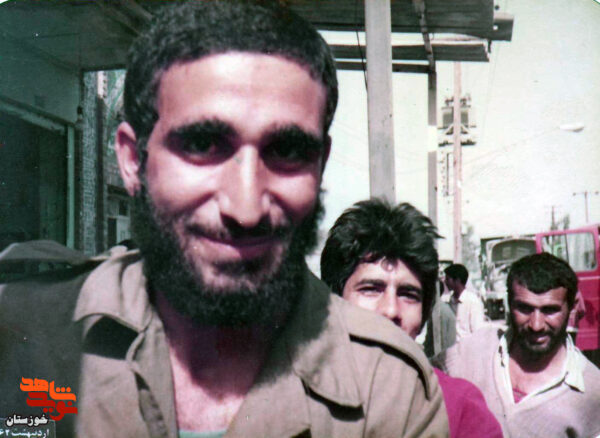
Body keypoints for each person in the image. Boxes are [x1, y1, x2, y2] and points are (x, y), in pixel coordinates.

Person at [0, 2, 448, 437]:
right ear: (133, 160)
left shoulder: (387, 389)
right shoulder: (20, 336)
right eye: (202, 146)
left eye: (287, 151)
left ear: (321, 164)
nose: (245, 208)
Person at [320, 199, 503, 438]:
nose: (390, 310)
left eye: (408, 294)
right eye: (371, 289)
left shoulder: (459, 410)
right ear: (334, 301)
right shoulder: (292, 399)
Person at [434, 253, 600, 438]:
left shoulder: (593, 390)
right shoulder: (474, 350)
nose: (536, 325)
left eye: (550, 310)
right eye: (524, 308)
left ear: (572, 307)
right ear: (509, 303)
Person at [443, 264, 485, 340]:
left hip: (466, 345)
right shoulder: (449, 300)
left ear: (457, 280)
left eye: (447, 279)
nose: (445, 282)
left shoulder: (472, 301)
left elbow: (477, 332)